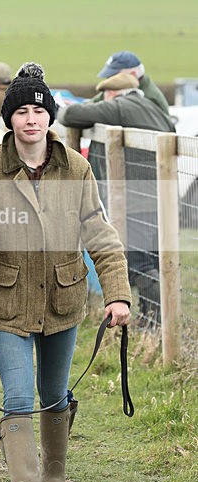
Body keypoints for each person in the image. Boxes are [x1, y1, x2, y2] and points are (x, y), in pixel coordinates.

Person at [0, 62, 131, 482]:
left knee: (54, 394)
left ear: (49, 117)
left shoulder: (77, 168)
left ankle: (53, 480)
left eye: (39, 110)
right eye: (22, 111)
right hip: (5, 302)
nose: (31, 119)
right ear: (9, 118)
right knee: (17, 395)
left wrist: (117, 295)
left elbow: (102, 235)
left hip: (62, 300)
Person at [57, 72, 175, 326]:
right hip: (160, 196)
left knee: (140, 261)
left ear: (111, 94)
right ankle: (154, 319)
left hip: (136, 199)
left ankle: (153, 322)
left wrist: (93, 103)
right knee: (152, 257)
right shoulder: (154, 107)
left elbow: (70, 115)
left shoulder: (121, 106)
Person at [95, 50, 170, 114]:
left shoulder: (150, 98)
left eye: (114, 76)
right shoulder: (117, 89)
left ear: (133, 75)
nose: (110, 80)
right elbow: (93, 104)